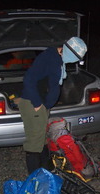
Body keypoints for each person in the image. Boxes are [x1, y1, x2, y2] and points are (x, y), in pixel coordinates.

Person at [18, 37, 87, 174]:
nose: (74, 62)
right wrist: (37, 103)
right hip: (34, 104)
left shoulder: (57, 58)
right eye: (75, 58)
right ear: (69, 51)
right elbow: (29, 78)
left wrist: (47, 104)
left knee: (42, 137)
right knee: (34, 141)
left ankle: (47, 170)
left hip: (42, 104)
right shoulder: (49, 58)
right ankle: (34, 177)